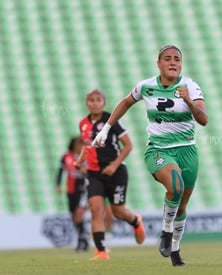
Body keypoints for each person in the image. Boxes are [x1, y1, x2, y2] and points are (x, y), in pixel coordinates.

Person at [91, 45, 208, 266]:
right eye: (167, 59)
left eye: (177, 59)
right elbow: (126, 102)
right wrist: (106, 129)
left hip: (188, 150)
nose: (173, 62)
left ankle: (174, 249)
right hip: (158, 150)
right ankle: (165, 232)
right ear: (159, 63)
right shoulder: (146, 86)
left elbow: (203, 120)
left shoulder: (190, 86)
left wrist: (190, 102)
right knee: (175, 185)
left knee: (182, 206)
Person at [75, 89, 146, 261]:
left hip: (115, 172)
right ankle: (101, 251)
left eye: (98, 100)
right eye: (91, 100)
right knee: (96, 210)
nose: (94, 103)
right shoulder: (83, 123)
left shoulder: (111, 120)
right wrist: (80, 161)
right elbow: (87, 145)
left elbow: (128, 145)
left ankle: (136, 221)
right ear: (87, 103)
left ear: (103, 103)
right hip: (93, 173)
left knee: (118, 212)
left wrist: (114, 165)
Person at [56, 136, 89, 252]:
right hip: (71, 191)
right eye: (79, 144)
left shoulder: (85, 156)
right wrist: (58, 185)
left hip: (83, 190)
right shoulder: (66, 157)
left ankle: (83, 240)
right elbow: (60, 171)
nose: (81, 146)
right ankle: (82, 238)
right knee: (74, 216)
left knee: (79, 214)